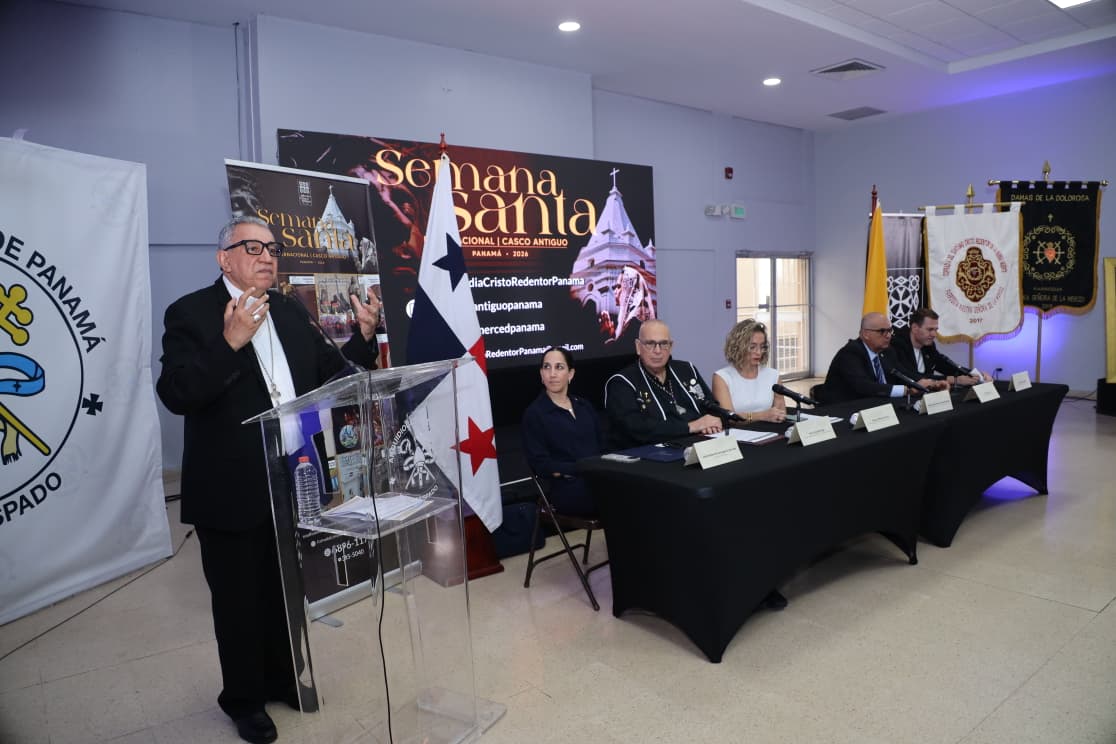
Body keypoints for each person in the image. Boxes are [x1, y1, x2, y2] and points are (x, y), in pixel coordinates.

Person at [156, 215, 381, 744]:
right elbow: (177, 392)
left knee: (285, 593)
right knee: (238, 601)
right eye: (251, 246)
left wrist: (366, 340)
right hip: (231, 487)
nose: (266, 256)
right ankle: (244, 701)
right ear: (224, 258)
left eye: (272, 248)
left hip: (293, 477)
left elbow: (332, 371)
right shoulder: (190, 312)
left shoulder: (289, 309)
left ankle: (283, 679)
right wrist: (230, 342)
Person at [604, 319, 722, 449]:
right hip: (648, 455)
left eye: (663, 344)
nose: (658, 351)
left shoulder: (687, 370)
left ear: (671, 347)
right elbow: (636, 428)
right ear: (638, 347)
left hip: (698, 444)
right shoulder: (621, 382)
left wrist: (712, 422)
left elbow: (711, 406)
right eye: (650, 344)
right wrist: (691, 426)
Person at [521, 347, 605, 516]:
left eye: (559, 367)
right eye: (547, 367)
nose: (552, 374)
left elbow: (603, 446)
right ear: (541, 374)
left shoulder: (584, 406)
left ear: (570, 374)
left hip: (598, 479)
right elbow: (541, 466)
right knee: (623, 500)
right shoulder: (535, 414)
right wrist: (581, 468)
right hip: (568, 488)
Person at [823, 312, 945, 404]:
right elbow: (864, 386)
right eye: (882, 331)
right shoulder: (851, 353)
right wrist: (906, 390)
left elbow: (905, 374)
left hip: (878, 408)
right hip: (844, 410)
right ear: (866, 334)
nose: (888, 336)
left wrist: (932, 383)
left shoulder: (887, 351)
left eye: (889, 331)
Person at [891, 308, 991, 386]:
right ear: (915, 328)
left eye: (936, 329)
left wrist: (974, 374)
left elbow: (944, 365)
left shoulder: (928, 346)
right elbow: (911, 375)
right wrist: (954, 380)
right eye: (930, 330)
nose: (934, 334)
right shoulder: (897, 344)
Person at [712, 319, 786, 424]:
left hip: (769, 432)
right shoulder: (722, 377)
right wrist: (762, 415)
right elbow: (729, 417)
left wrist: (774, 416)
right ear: (737, 347)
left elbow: (780, 414)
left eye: (762, 347)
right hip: (737, 435)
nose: (759, 352)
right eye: (752, 347)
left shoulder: (773, 375)